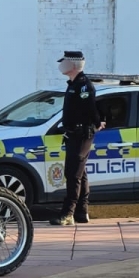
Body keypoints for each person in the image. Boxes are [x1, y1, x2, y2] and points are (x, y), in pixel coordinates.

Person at [50, 50, 104, 226]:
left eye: (64, 62)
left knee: (73, 174)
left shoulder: (83, 86)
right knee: (81, 174)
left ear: (73, 65)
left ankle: (68, 214)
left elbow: (91, 108)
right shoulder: (73, 84)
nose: (61, 65)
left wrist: (98, 122)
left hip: (81, 135)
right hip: (73, 134)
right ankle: (82, 211)